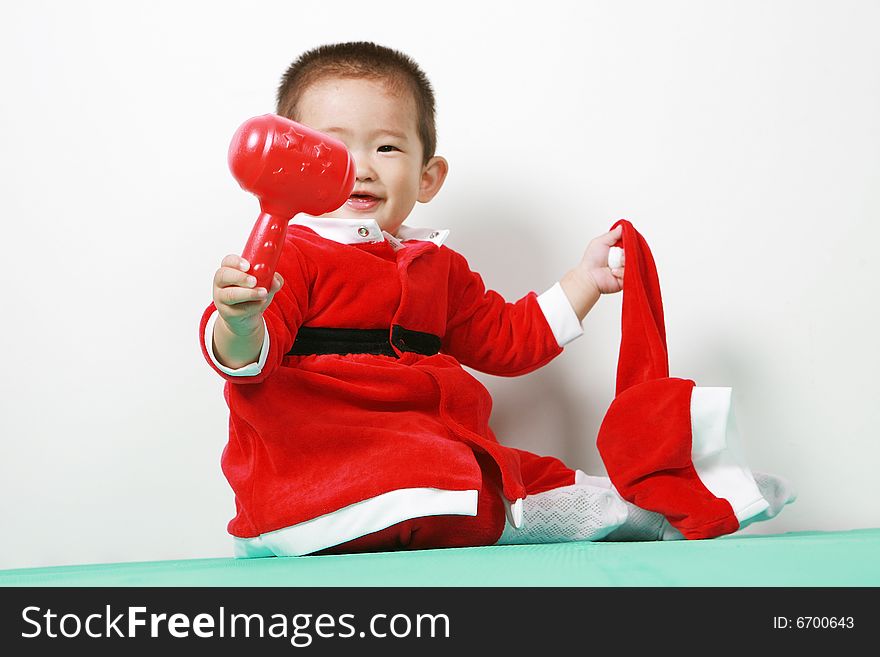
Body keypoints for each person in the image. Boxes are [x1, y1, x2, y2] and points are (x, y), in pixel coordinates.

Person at [199, 42, 792, 557]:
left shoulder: (440, 268)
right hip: (318, 475)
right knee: (441, 475)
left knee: (519, 472)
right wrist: (239, 320)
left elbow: (509, 340)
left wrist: (584, 281)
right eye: (333, 149)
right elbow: (244, 356)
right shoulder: (289, 256)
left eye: (386, 148)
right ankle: (536, 516)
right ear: (296, 164)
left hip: (434, 463)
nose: (361, 168)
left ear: (427, 177)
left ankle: (656, 504)